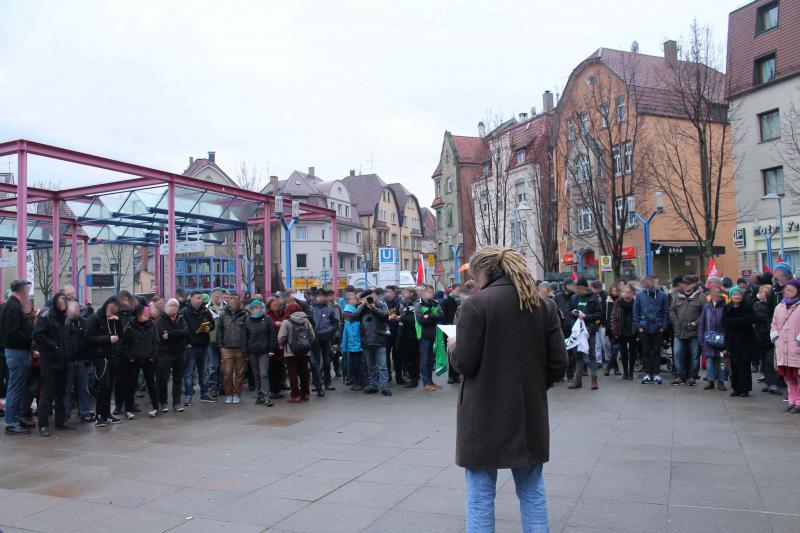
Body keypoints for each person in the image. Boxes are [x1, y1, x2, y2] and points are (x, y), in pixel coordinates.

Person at [449, 246, 567, 532]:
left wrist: (453, 348)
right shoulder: (542, 305)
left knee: (479, 496)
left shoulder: (475, 305)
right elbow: (559, 363)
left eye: (475, 274)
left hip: (482, 414)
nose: (475, 282)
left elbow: (464, 363)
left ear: (486, 270)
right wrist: (536, 386)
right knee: (532, 493)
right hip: (528, 412)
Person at [32, 292, 75, 436]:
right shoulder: (46, 317)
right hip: (50, 361)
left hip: (63, 361)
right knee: (47, 394)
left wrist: (69, 349)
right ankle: (43, 424)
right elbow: (38, 335)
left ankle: (61, 421)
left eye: (65, 301)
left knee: (62, 393)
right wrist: (54, 347)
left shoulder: (66, 319)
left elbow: (70, 336)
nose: (63, 304)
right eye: (61, 301)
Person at [85, 296, 124, 426]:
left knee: (110, 387)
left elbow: (121, 335)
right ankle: (99, 415)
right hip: (101, 357)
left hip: (113, 356)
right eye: (114, 307)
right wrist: (107, 339)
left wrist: (118, 321)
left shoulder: (114, 319)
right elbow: (89, 338)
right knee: (103, 386)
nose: (116, 310)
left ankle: (107, 414)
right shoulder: (95, 319)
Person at [121, 304, 160, 418]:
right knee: (131, 385)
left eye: (148, 313)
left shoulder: (152, 325)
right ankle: (128, 409)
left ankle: (156, 407)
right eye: (144, 314)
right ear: (138, 314)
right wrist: (130, 357)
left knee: (151, 384)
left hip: (149, 359)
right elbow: (125, 344)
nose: (147, 315)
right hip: (134, 359)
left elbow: (155, 342)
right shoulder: (130, 326)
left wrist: (154, 356)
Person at [180, 290, 216, 406]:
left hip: (204, 345)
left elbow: (212, 324)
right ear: (191, 298)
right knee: (189, 372)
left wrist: (208, 328)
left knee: (203, 371)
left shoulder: (205, 311)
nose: (199, 300)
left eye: (200, 298)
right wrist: (187, 343)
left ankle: (204, 393)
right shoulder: (184, 312)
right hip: (191, 346)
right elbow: (181, 329)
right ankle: (189, 395)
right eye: (197, 298)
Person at [354, 289, 392, 396]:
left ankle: (384, 387)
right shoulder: (361, 308)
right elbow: (355, 317)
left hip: (379, 339)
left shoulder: (381, 305)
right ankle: (373, 385)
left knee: (382, 366)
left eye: (371, 296)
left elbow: (385, 316)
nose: (370, 299)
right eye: (367, 298)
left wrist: (374, 308)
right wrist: (363, 305)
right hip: (366, 339)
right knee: (370, 365)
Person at [770, 278, 800, 412]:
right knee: (788, 377)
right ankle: (792, 400)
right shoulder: (779, 307)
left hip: (796, 348)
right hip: (782, 347)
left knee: (798, 377)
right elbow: (774, 324)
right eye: (786, 289)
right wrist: (775, 337)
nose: (787, 292)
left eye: (791, 290)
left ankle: (799, 402)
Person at [633, 276, 669, 385]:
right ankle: (648, 373)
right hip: (644, 328)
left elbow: (666, 312)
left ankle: (656, 374)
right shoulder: (640, 296)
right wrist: (638, 326)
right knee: (646, 351)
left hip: (658, 328)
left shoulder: (663, 296)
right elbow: (636, 312)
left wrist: (663, 326)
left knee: (657, 351)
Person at [568, 278, 603, 390]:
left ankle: (594, 379)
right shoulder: (574, 298)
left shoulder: (593, 298)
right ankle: (577, 380)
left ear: (584, 287)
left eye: (578, 287)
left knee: (591, 354)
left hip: (589, 330)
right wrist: (573, 312)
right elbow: (568, 311)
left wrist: (586, 317)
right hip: (577, 331)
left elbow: (599, 314)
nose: (576, 289)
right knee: (578, 355)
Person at [277, 301, 315, 402]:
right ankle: (305, 393)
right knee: (304, 373)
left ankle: (295, 395)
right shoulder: (306, 320)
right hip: (304, 351)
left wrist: (282, 345)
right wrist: (306, 344)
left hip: (290, 352)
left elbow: (281, 337)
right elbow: (312, 336)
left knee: (292, 374)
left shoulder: (286, 322)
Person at [670, 275, 704, 386]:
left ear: (694, 284)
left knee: (694, 356)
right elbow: (672, 311)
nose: (685, 286)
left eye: (688, 284)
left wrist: (696, 323)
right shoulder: (677, 296)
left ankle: (692, 377)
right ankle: (680, 376)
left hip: (694, 332)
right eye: (684, 284)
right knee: (678, 354)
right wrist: (676, 324)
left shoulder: (700, 297)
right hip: (679, 332)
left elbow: (704, 314)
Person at [156, 298, 189, 413]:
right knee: (163, 379)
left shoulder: (181, 318)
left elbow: (185, 332)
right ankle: (163, 402)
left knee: (178, 378)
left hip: (179, 352)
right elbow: (161, 334)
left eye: (176, 306)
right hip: (165, 353)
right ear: (166, 307)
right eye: (171, 306)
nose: (174, 308)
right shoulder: (160, 320)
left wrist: (170, 334)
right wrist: (176, 334)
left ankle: (177, 402)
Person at [723, 287, 756, 397]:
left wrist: (734, 322)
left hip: (745, 340)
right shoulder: (727, 307)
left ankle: (745, 389)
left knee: (744, 365)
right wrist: (738, 322)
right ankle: (736, 388)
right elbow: (724, 322)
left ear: (742, 296)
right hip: (732, 340)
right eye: (734, 295)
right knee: (734, 365)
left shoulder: (747, 307)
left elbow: (750, 320)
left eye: (738, 295)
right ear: (730, 296)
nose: (736, 297)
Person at [243, 299, 276, 406]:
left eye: (258, 307)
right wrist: (245, 353)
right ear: (251, 309)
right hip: (252, 351)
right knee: (256, 375)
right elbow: (245, 337)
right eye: (254, 308)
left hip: (264, 351)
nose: (256, 310)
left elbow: (272, 335)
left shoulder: (267, 319)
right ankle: (260, 394)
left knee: (264, 373)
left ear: (261, 308)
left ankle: (266, 395)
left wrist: (271, 349)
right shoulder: (248, 320)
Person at [64, 300, 93, 423]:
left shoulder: (83, 323)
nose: (74, 313)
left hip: (81, 359)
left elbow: (88, 341)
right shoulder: (64, 323)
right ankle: (65, 414)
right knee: (67, 389)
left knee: (83, 388)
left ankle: (84, 412)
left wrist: (88, 358)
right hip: (69, 360)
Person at [217, 294, 248, 404]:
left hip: (240, 348)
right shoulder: (223, 314)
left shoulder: (244, 315)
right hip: (226, 348)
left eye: (234, 298)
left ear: (239, 301)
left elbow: (247, 332)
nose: (232, 300)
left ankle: (237, 393)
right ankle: (229, 393)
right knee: (227, 373)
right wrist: (220, 346)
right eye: (230, 298)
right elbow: (219, 331)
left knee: (240, 373)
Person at [414, 286, 444, 392]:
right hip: (424, 336)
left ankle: (430, 382)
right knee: (425, 360)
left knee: (431, 360)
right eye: (430, 292)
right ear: (423, 293)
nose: (432, 294)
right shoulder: (418, 304)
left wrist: (429, 316)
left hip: (434, 335)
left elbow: (441, 315)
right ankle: (425, 383)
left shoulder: (435, 303)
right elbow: (420, 319)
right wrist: (432, 317)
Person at [309, 291, 339, 396]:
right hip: (314, 338)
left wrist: (329, 331)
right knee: (315, 362)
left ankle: (328, 382)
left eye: (323, 296)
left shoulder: (330, 308)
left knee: (327, 360)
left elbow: (335, 323)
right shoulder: (310, 308)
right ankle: (316, 383)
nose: (322, 298)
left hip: (327, 338)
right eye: (320, 296)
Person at [698, 285, 727, 391]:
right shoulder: (706, 306)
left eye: (717, 292)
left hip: (722, 338)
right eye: (713, 292)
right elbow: (702, 322)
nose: (715, 294)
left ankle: (721, 381)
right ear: (710, 294)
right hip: (709, 338)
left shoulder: (725, 306)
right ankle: (710, 381)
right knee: (710, 360)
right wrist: (701, 337)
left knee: (722, 361)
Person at [753, 284, 779, 395]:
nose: (763, 294)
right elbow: (755, 316)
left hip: (769, 336)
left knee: (769, 360)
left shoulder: (773, 305)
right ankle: (768, 383)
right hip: (759, 336)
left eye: (765, 292)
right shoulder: (757, 304)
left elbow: (771, 317)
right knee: (763, 361)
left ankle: (773, 383)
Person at [610, 284, 637, 380]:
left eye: (628, 292)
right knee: (623, 352)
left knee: (633, 352)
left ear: (632, 293)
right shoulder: (618, 303)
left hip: (633, 331)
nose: (625, 294)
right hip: (621, 331)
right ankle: (625, 372)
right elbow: (613, 317)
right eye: (623, 292)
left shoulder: (635, 303)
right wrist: (614, 331)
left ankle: (631, 372)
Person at [341, 292, 367, 391]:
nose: (356, 300)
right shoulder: (350, 311)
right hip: (355, 343)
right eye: (354, 299)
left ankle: (358, 382)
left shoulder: (350, 310)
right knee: (357, 364)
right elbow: (353, 330)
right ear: (350, 301)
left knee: (355, 364)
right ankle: (359, 382)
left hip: (353, 343)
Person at [396, 287, 420, 388]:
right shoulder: (416, 316)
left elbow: (401, 331)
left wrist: (397, 344)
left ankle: (412, 380)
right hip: (416, 340)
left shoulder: (404, 317)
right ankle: (415, 378)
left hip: (406, 342)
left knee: (408, 361)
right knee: (415, 360)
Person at [554, 280, 577, 382]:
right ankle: (561, 373)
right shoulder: (557, 297)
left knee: (572, 352)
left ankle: (570, 374)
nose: (572, 286)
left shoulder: (575, 297)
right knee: (561, 352)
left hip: (572, 327)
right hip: (560, 327)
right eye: (570, 285)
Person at [206, 288, 227, 399]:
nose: (217, 297)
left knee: (224, 366)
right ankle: (213, 388)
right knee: (213, 366)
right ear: (212, 296)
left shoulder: (227, 308)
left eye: (219, 295)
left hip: (224, 342)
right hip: (212, 342)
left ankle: (222, 387)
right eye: (215, 295)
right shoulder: (207, 308)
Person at [266, 297, 287, 399]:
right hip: (272, 345)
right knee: (272, 369)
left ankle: (277, 389)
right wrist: (274, 325)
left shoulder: (280, 314)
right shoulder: (267, 315)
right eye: (273, 304)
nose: (275, 305)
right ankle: (272, 390)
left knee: (279, 368)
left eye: (276, 304)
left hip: (281, 345)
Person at [602, 285, 620, 376]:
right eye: (613, 290)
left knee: (615, 348)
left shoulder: (620, 300)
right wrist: (606, 325)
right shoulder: (606, 301)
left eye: (616, 290)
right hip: (609, 328)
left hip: (618, 328)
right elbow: (603, 314)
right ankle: (615, 368)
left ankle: (609, 367)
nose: (615, 292)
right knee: (612, 348)